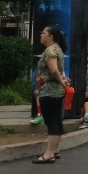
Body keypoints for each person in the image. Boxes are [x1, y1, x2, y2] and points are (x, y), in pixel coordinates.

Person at [32, 26, 69, 164]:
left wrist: (61, 82)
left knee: (51, 121)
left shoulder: (50, 50)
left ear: (50, 37)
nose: (41, 35)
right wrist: (64, 81)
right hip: (56, 91)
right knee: (57, 120)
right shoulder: (57, 49)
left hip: (49, 91)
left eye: (43, 33)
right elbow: (60, 70)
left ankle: (49, 154)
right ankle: (56, 150)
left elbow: (54, 71)